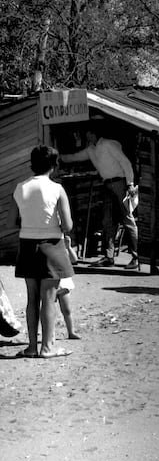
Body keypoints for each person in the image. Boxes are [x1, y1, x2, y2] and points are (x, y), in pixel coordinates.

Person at [9, 145, 75, 358]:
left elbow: (12, 222)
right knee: (49, 297)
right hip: (52, 245)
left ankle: (31, 347)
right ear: (54, 166)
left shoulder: (20, 188)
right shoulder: (57, 189)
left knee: (32, 298)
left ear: (32, 165)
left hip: (27, 245)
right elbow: (68, 225)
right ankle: (47, 347)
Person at [59, 125, 139, 270]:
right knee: (107, 220)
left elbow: (126, 163)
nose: (86, 137)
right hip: (108, 184)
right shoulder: (91, 150)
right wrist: (59, 157)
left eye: (88, 133)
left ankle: (136, 257)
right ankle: (109, 257)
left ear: (93, 134)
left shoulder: (108, 144)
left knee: (127, 219)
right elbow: (75, 157)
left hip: (120, 183)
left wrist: (130, 184)